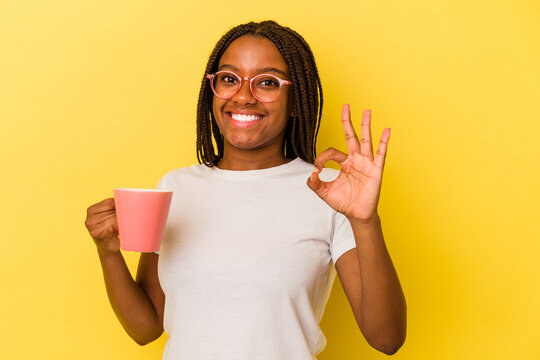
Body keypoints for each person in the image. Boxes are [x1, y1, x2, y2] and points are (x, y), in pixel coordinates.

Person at [85, 20, 406, 359]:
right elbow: (146, 327)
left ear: (296, 101)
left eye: (267, 82)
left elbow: (387, 339)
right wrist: (108, 252)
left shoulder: (328, 193)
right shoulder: (175, 188)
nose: (242, 96)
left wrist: (365, 221)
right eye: (228, 79)